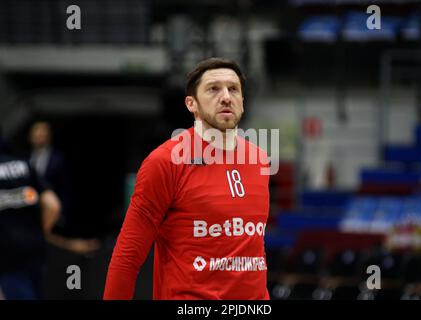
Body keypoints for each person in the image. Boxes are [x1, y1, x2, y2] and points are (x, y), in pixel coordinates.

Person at [104, 57, 271, 300]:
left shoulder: (260, 159)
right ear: (191, 104)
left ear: (242, 101)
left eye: (233, 89)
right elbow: (128, 255)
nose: (226, 97)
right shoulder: (165, 162)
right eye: (213, 89)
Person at [0, 129, 61, 299]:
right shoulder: (25, 164)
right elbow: (53, 205)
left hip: (7, 254)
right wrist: (42, 232)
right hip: (35, 249)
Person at [28, 120, 100, 256]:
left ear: (49, 135)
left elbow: (66, 188)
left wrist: (61, 213)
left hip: (53, 212)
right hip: (30, 213)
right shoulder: (24, 159)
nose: (39, 135)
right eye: (36, 132)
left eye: (42, 132)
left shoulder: (59, 159)